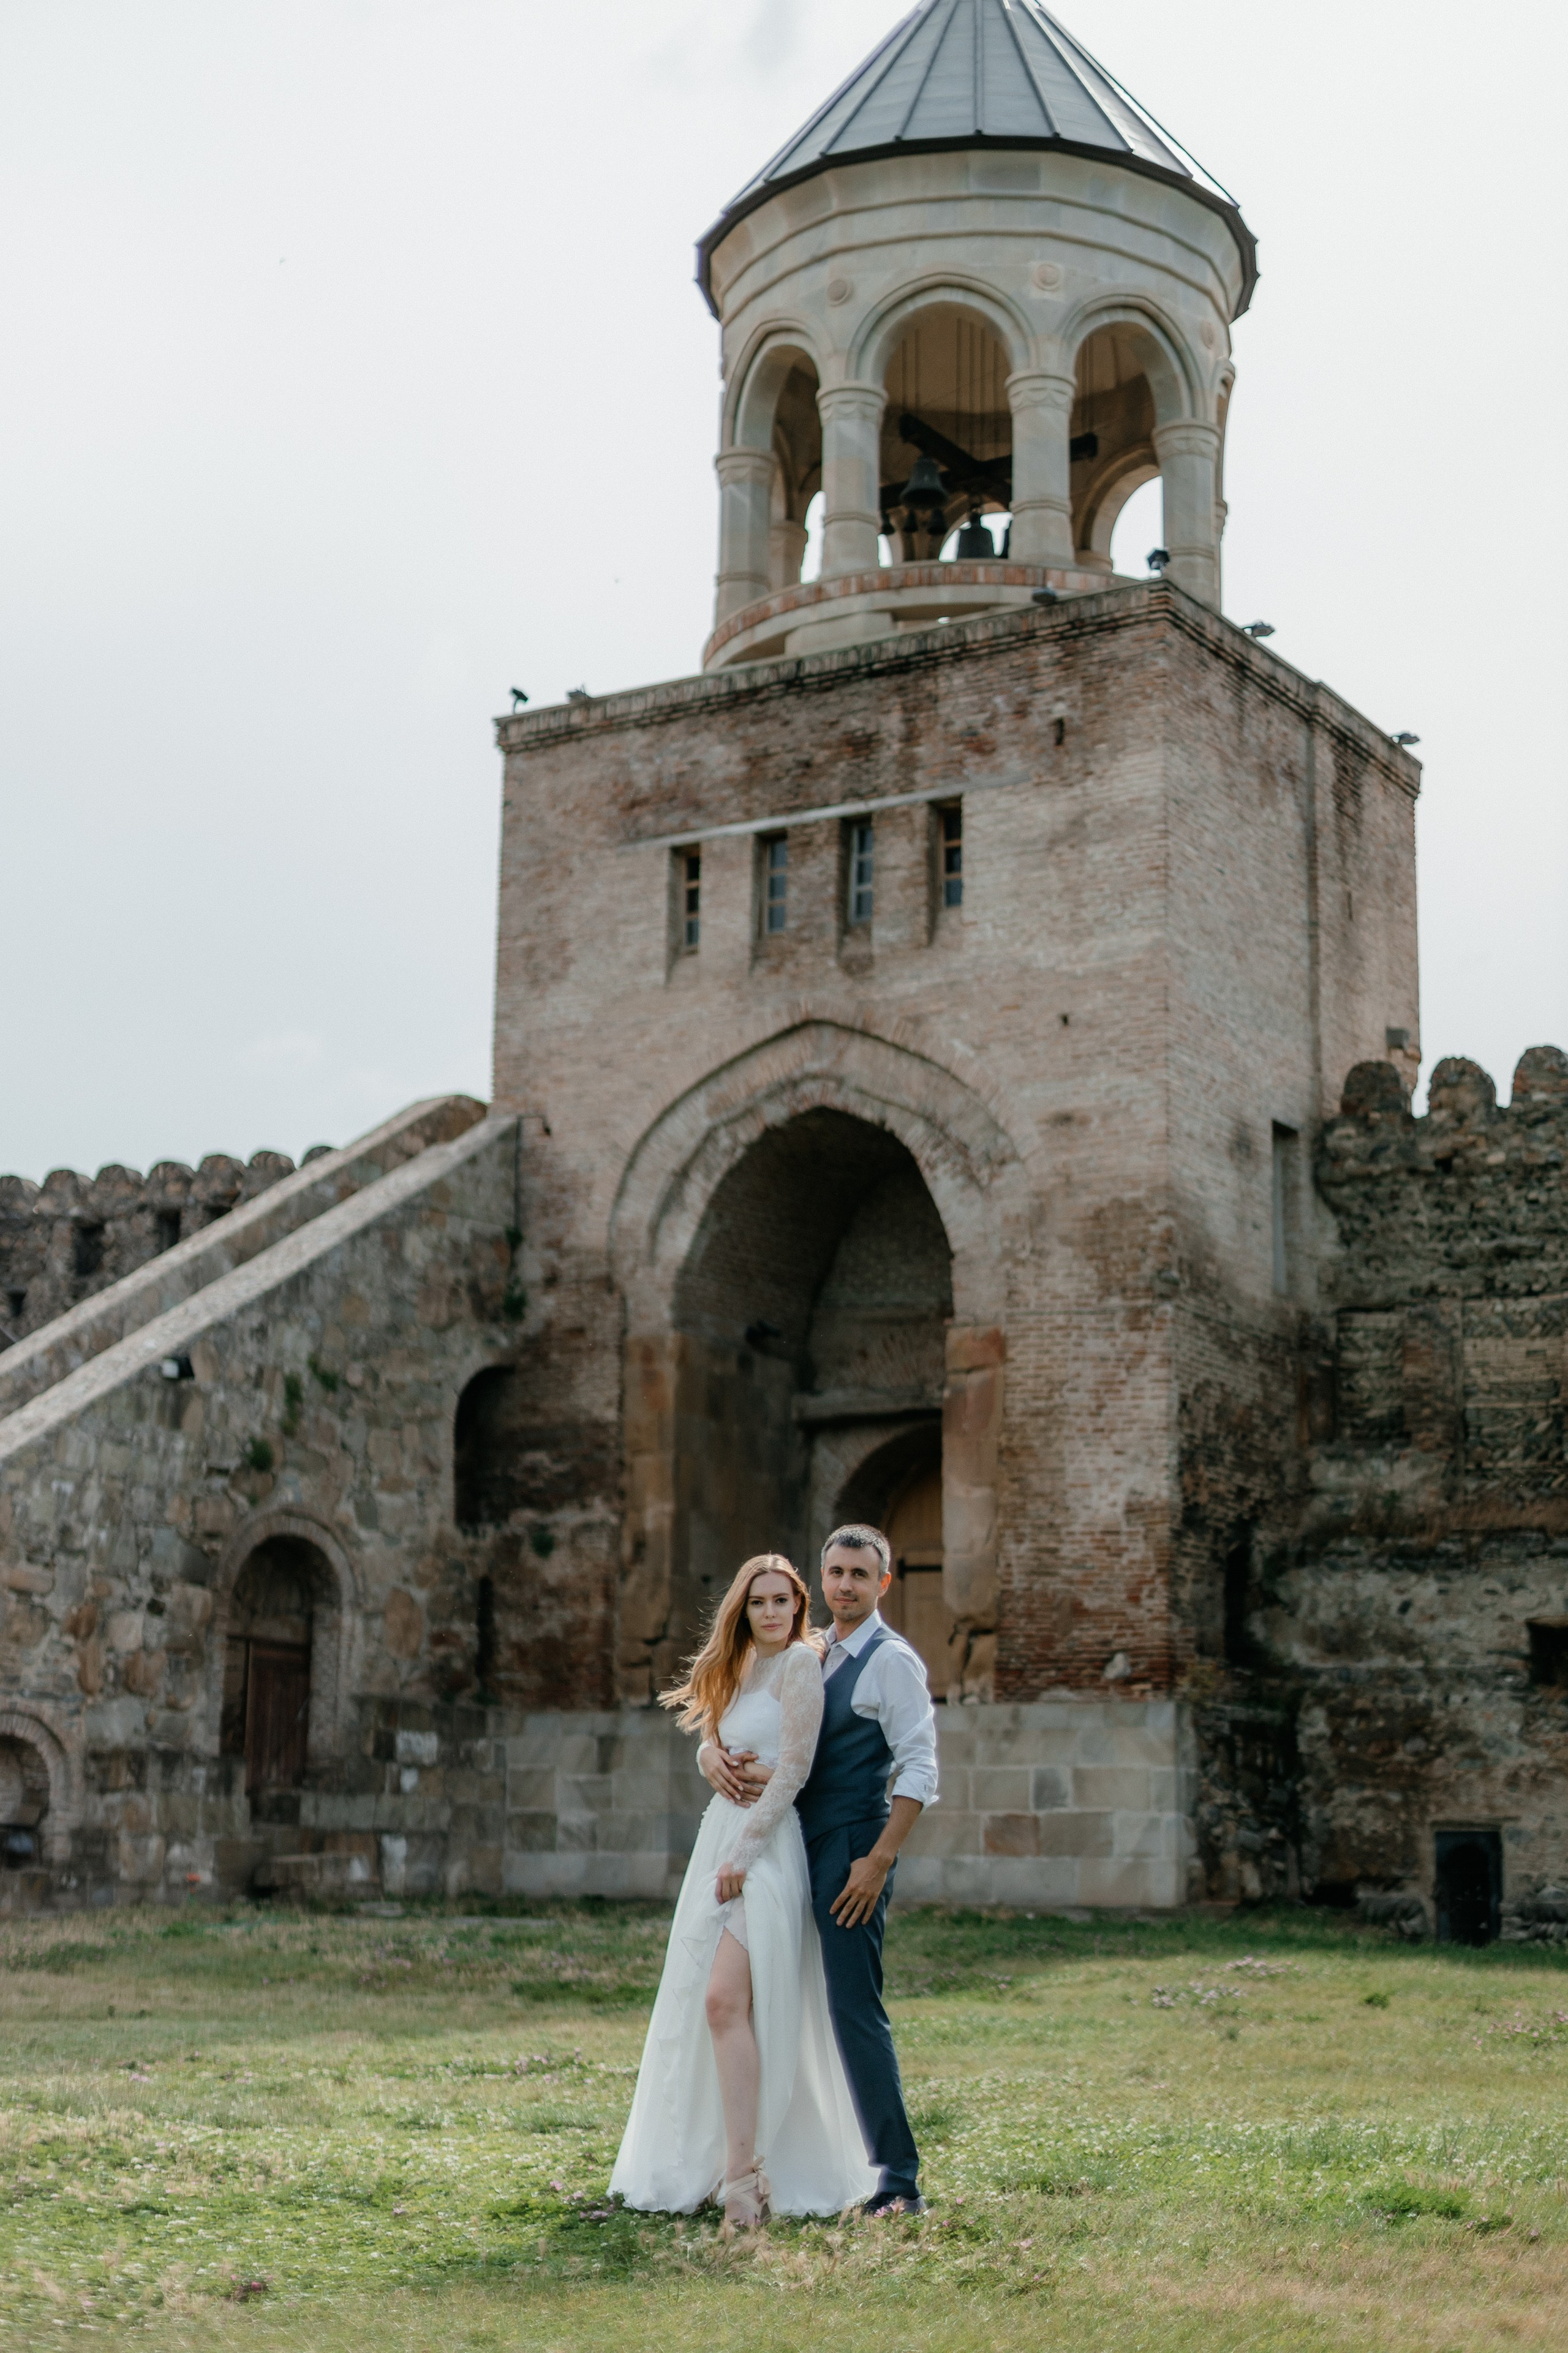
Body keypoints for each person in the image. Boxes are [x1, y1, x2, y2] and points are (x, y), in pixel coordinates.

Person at [609, 1554, 876, 2227]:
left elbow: (793, 1768)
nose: (770, 1612)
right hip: (719, 1839)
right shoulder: (734, 1667)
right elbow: (715, 1739)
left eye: (782, 1601)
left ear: (798, 1606)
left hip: (763, 1847)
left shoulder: (799, 1666)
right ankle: (715, 2161)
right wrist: (706, 1757)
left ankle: (743, 2181)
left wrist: (745, 1853)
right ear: (742, 1608)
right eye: (757, 1601)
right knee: (713, 2007)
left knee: (725, 1999)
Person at [701, 1524, 938, 2217]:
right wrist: (709, 1756)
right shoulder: (809, 1652)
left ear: (883, 1583)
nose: (845, 1585)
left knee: (852, 2007)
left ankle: (898, 2179)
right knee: (769, 2000)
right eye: (834, 1572)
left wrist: (879, 1860)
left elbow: (920, 1765)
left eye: (860, 1575)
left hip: (849, 1850)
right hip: (788, 1847)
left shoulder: (892, 1661)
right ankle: (778, 2160)